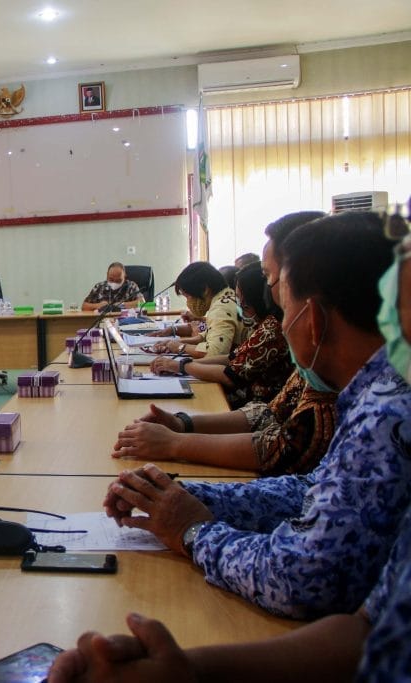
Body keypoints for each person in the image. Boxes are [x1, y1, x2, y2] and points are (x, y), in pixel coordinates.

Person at [47, 210, 411, 683]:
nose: (279, 319)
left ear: (314, 320)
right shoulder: (375, 392)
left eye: (283, 298)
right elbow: (313, 493)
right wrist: (186, 496)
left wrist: (193, 530)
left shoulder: (388, 412)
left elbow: (303, 578)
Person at [114, 211, 336, 475]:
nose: (269, 290)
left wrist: (177, 441)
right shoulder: (313, 376)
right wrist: (182, 425)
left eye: (268, 276)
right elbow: (267, 414)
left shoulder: (346, 399)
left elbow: (281, 449)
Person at [151, 263, 292, 408]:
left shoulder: (271, 329)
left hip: (254, 402)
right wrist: (180, 361)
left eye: (243, 302)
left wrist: (181, 363)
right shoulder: (262, 322)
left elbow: (224, 365)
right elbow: (231, 357)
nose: (239, 305)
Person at [148, 262, 242, 358]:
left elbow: (214, 353)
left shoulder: (221, 308)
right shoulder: (227, 298)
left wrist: (180, 347)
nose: (188, 303)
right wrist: (172, 342)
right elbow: (204, 337)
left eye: (188, 296)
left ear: (205, 289)